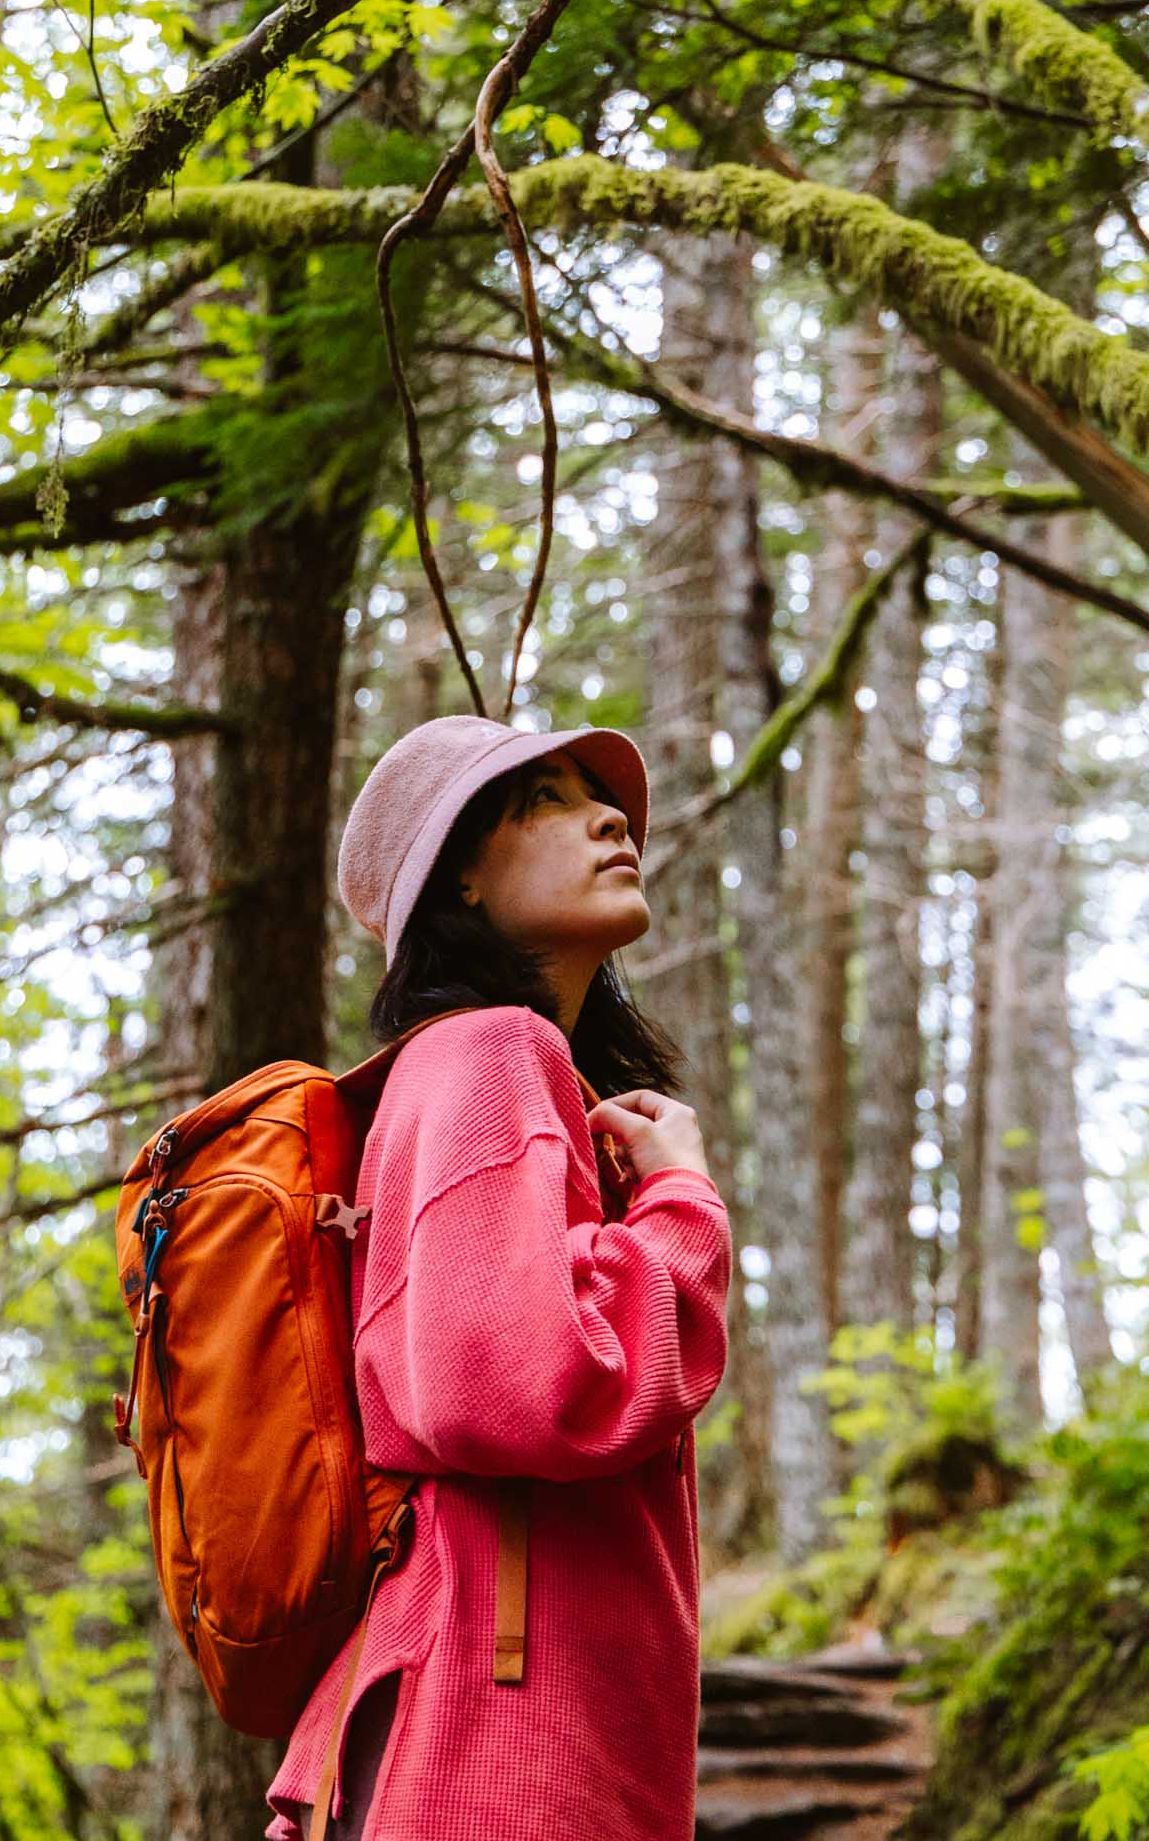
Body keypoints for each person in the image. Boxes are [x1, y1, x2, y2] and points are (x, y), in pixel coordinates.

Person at [264, 713, 732, 1841]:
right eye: (545, 802)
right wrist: (684, 1204)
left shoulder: (502, 1078)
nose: (612, 817)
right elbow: (531, 1386)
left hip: (512, 1708)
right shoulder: (492, 1052)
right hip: (501, 1728)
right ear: (460, 880)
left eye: (600, 797)